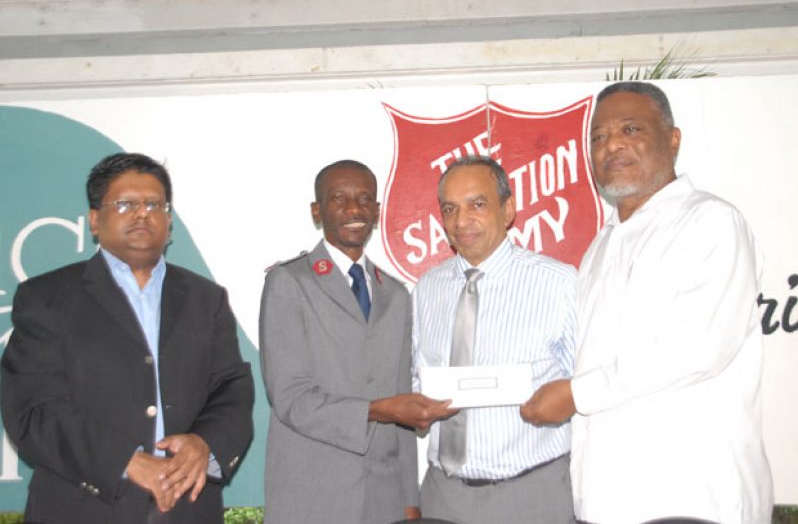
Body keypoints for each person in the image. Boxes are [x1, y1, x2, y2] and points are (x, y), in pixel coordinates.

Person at [522, 81, 774, 523]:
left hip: (692, 500)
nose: (611, 145)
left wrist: (575, 394)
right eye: (598, 137)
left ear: (672, 139)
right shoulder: (600, 247)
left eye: (631, 129)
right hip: (605, 502)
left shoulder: (710, 222)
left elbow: (698, 348)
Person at [1, 153, 255, 524]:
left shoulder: (206, 298)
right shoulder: (47, 298)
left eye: (155, 204)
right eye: (125, 204)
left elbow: (231, 388)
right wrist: (126, 462)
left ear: (169, 220)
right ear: (93, 220)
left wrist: (205, 444)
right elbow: (33, 411)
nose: (142, 213)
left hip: (189, 509)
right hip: (82, 509)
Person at [259, 159, 454, 524]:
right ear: (317, 210)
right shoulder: (289, 282)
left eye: (365, 199)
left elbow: (401, 402)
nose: (354, 209)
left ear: (377, 211)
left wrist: (409, 498)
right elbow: (290, 398)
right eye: (338, 199)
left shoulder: (395, 294)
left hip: (384, 500)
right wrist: (378, 410)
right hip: (311, 498)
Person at [413, 156, 577, 524]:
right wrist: (418, 411)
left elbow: (588, 384)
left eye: (478, 204)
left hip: (532, 494)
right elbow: (418, 375)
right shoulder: (428, 288)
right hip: (444, 495)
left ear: (508, 210)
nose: (461, 220)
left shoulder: (559, 283)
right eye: (450, 208)